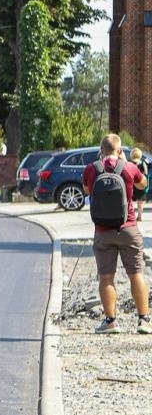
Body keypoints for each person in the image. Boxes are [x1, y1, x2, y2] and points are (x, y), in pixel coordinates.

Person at [82, 134, 152, 335]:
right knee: (136, 274)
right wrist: (126, 164)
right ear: (120, 150)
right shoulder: (129, 167)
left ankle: (111, 322)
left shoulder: (92, 169)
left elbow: (87, 191)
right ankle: (144, 320)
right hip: (128, 227)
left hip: (103, 232)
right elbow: (143, 184)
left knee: (106, 277)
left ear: (101, 150)